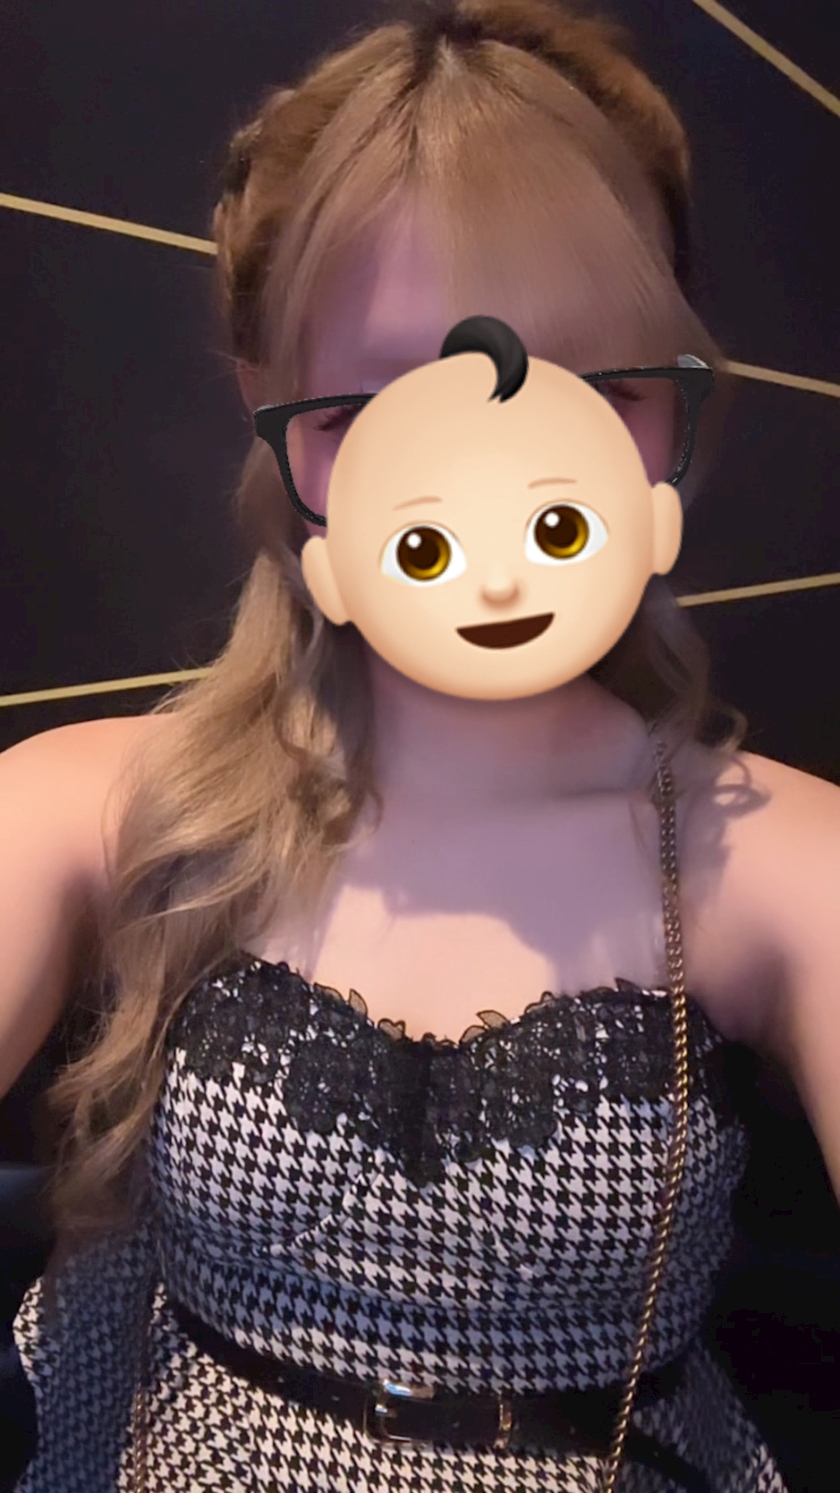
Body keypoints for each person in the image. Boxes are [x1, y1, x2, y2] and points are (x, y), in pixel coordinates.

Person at [2, 1, 838, 1489]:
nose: (497, 545)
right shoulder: (94, 808)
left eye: (591, 394)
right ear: (282, 422)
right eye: (389, 410)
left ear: (666, 421)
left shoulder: (778, 862)